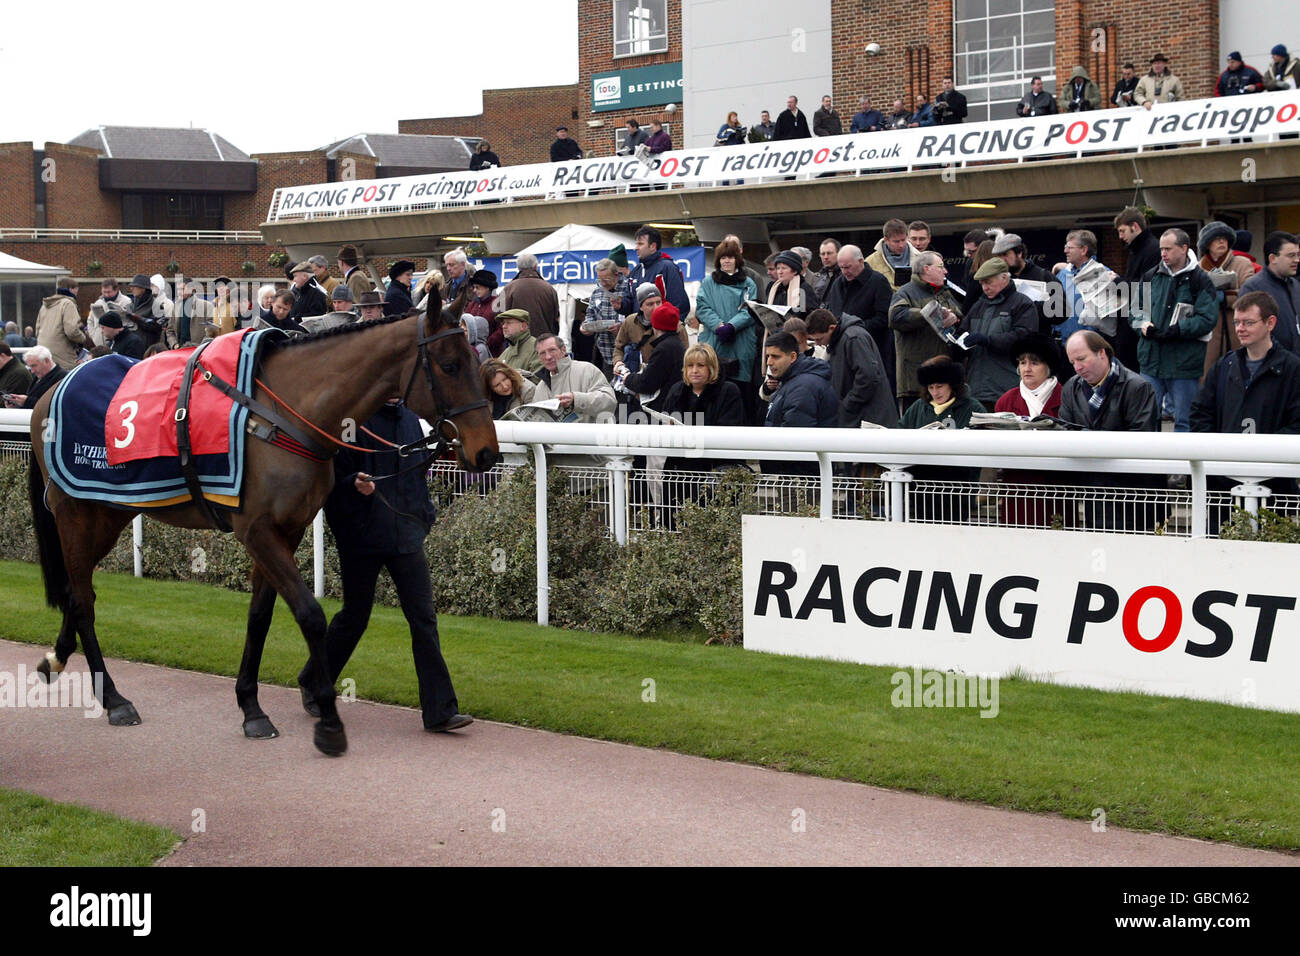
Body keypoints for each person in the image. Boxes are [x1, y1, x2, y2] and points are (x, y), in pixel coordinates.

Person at [297, 399, 471, 734]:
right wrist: (352, 485)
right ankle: (314, 679)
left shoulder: (410, 419)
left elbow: (417, 476)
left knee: (423, 619)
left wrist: (423, 518)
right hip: (361, 536)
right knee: (355, 617)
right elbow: (329, 480)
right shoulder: (352, 420)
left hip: (405, 535)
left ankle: (439, 712)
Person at [1192, 290, 1300, 492]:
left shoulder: (1292, 369)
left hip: (1275, 483)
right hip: (1224, 484)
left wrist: (1266, 450)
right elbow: (1201, 413)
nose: (1240, 329)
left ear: (1270, 323)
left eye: (1248, 323)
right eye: (1237, 322)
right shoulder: (1224, 366)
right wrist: (1217, 452)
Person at [1129, 228, 1218, 432]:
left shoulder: (1201, 280)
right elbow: (1134, 311)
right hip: (1151, 361)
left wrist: (1179, 330)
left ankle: (1184, 463)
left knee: (1185, 422)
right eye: (1161, 249)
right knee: (1147, 421)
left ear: (1184, 248)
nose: (1163, 253)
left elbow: (1208, 318)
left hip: (1184, 364)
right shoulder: (1151, 276)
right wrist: (1143, 326)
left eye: (1168, 248)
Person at [896, 356, 985, 521]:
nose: (935, 392)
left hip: (957, 491)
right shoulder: (918, 407)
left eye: (940, 386)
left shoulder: (972, 408)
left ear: (952, 385)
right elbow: (901, 433)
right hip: (921, 489)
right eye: (930, 387)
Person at [993, 334, 1067, 526]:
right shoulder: (1006, 400)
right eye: (1022, 362)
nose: (1026, 368)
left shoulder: (1066, 396)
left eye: (1034, 363)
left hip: (1057, 485)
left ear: (1048, 366)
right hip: (1018, 484)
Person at [888, 250, 963, 412]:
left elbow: (958, 312)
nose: (945, 271)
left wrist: (954, 317)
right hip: (915, 381)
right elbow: (895, 317)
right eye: (941, 267)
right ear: (926, 269)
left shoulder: (944, 292)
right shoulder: (905, 292)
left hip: (944, 378)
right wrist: (928, 314)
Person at [694, 238, 760, 422]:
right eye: (723, 258)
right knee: (713, 386)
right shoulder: (708, 282)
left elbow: (750, 309)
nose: (726, 261)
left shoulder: (748, 284)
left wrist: (732, 326)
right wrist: (719, 326)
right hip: (715, 341)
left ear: (737, 259)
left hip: (741, 344)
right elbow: (702, 307)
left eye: (730, 257)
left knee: (741, 392)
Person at [958, 258, 1037, 407]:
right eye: (982, 283)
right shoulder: (979, 305)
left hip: (1007, 388)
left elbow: (1025, 339)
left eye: (989, 282)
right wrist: (957, 345)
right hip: (976, 389)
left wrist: (988, 340)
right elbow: (963, 332)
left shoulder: (1022, 303)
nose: (985, 288)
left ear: (1005, 278)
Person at [823, 243, 895, 397]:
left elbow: (884, 319)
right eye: (841, 267)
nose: (844, 271)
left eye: (848, 267)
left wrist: (854, 329)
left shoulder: (878, 281)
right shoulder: (838, 284)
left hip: (873, 350)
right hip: (843, 352)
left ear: (861, 262)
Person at [805, 308, 896, 427]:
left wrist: (847, 404)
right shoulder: (843, 339)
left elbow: (868, 376)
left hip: (868, 418)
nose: (818, 344)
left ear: (832, 328)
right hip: (860, 416)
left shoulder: (853, 338)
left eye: (819, 339)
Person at [1197, 220, 1257, 376]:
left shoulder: (1243, 264)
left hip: (1236, 332)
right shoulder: (1198, 268)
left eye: (1224, 238)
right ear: (1207, 244)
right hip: (1208, 336)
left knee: (1237, 375)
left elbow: (1249, 296)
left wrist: (1227, 297)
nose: (1221, 241)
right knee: (1208, 378)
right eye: (1216, 238)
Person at [617, 302, 687, 413]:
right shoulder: (676, 344)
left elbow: (647, 383)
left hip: (662, 410)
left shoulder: (663, 349)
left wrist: (628, 378)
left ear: (655, 326)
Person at [1054, 229, 1120, 344]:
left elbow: (1108, 315)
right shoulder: (1062, 275)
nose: (1065, 251)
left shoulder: (1103, 274)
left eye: (1070, 248)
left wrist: (1089, 338)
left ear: (1084, 250)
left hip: (1091, 345)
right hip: (1064, 344)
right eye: (1066, 247)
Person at [531, 332, 616, 423]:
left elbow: (609, 402)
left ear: (563, 350)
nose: (548, 357)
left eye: (552, 350)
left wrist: (576, 400)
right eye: (542, 353)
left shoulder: (586, 370)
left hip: (589, 436)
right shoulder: (540, 388)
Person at [1239, 232, 1300, 354]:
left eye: (1298, 254)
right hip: (1271, 365)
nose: (1297, 260)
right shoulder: (1253, 288)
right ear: (1272, 258)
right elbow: (1248, 331)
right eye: (1291, 255)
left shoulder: (1296, 285)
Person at [622, 226, 690, 318]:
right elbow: (630, 305)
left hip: (662, 329)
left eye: (640, 244)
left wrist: (666, 330)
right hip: (639, 330)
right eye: (636, 244)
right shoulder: (635, 271)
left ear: (653, 246)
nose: (636, 248)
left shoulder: (668, 268)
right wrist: (620, 305)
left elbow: (679, 305)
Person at [580, 258, 628, 370]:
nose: (603, 283)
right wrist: (586, 326)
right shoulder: (597, 292)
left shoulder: (628, 288)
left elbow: (638, 317)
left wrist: (622, 328)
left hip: (626, 353)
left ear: (616, 275)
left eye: (606, 279)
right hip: (604, 353)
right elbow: (590, 314)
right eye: (600, 279)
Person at [500, 253, 559, 338]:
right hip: (543, 340)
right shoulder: (549, 288)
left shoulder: (508, 288)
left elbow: (500, 314)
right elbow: (555, 317)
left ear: (518, 268)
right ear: (536, 266)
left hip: (517, 341)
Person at [35, 276, 86, 370]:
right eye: (76, 290)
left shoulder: (45, 306)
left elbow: (37, 330)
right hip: (62, 354)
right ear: (71, 289)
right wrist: (83, 338)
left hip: (43, 351)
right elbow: (71, 331)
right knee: (65, 381)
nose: (77, 294)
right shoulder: (68, 304)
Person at [866, 218, 919, 292]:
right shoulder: (870, 262)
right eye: (896, 241)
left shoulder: (920, 258)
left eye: (903, 240)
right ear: (886, 240)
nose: (901, 245)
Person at [766, 250, 817, 316]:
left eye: (784, 268)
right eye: (778, 268)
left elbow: (811, 315)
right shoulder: (773, 287)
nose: (780, 272)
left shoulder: (803, 288)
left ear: (795, 271)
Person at [463, 269, 501, 354]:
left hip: (492, 352)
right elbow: (464, 322)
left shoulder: (497, 304)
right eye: (474, 287)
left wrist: (487, 343)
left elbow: (501, 329)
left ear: (487, 288)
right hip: (472, 350)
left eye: (477, 287)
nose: (474, 290)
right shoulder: (473, 304)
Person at [86, 278, 133, 346]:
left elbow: (129, 322)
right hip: (99, 343)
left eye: (109, 292)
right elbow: (90, 321)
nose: (106, 295)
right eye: (104, 292)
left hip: (117, 342)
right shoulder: (98, 303)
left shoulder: (126, 301)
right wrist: (94, 335)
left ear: (116, 290)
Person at [126, 273, 166, 349]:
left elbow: (158, 326)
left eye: (134, 286)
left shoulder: (157, 305)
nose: (131, 288)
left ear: (143, 288)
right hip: (131, 347)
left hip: (147, 349)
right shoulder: (131, 304)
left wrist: (138, 319)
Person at [497, 308, 541, 374]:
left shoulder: (537, 348)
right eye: (503, 323)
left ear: (523, 326)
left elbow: (539, 379)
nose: (504, 326)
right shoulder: (506, 352)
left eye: (508, 323)